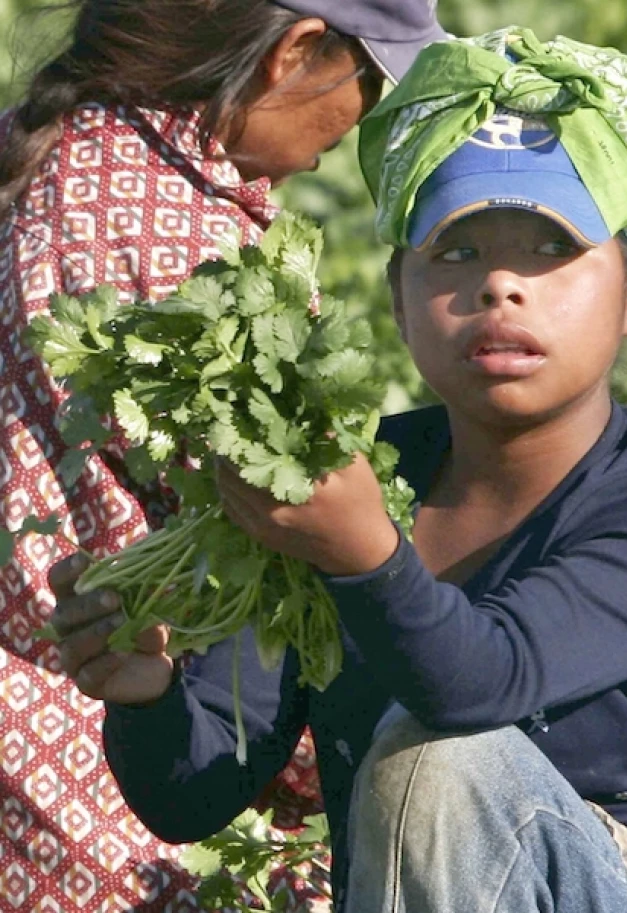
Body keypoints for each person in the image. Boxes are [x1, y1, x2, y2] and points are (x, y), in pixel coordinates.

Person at [47, 27, 627, 913]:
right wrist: (150, 695)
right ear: (399, 295)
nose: (500, 288)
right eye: (457, 252)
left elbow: (479, 683)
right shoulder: (341, 478)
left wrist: (362, 553)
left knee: (437, 760)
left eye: (550, 250)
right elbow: (194, 792)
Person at [0, 1, 445, 910]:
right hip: (101, 778)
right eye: (370, 83)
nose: (362, 119)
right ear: (294, 54)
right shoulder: (191, 257)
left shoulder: (63, 144)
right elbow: (290, 546)